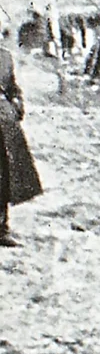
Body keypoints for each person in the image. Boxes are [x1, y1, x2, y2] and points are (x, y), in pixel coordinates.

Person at [0, 41, 43, 247]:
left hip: (5, 122)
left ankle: (1, 228)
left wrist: (17, 104)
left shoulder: (5, 56)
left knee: (5, 175)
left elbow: (12, 87)